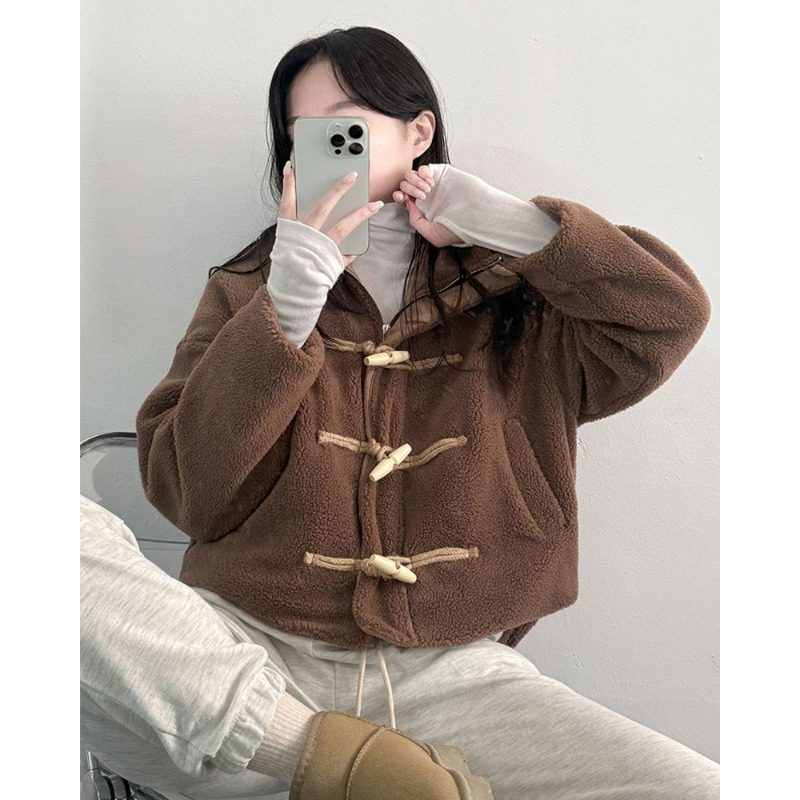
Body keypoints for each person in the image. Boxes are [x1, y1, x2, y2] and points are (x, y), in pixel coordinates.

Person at [80, 25, 720, 800]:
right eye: (302, 132)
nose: (326, 148)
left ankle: (379, 777)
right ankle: (322, 758)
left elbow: (667, 317)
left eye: (346, 123)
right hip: (242, 678)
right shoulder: (249, 289)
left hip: (449, 684)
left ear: (419, 133)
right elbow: (188, 490)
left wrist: (516, 227)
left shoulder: (515, 294)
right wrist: (290, 298)